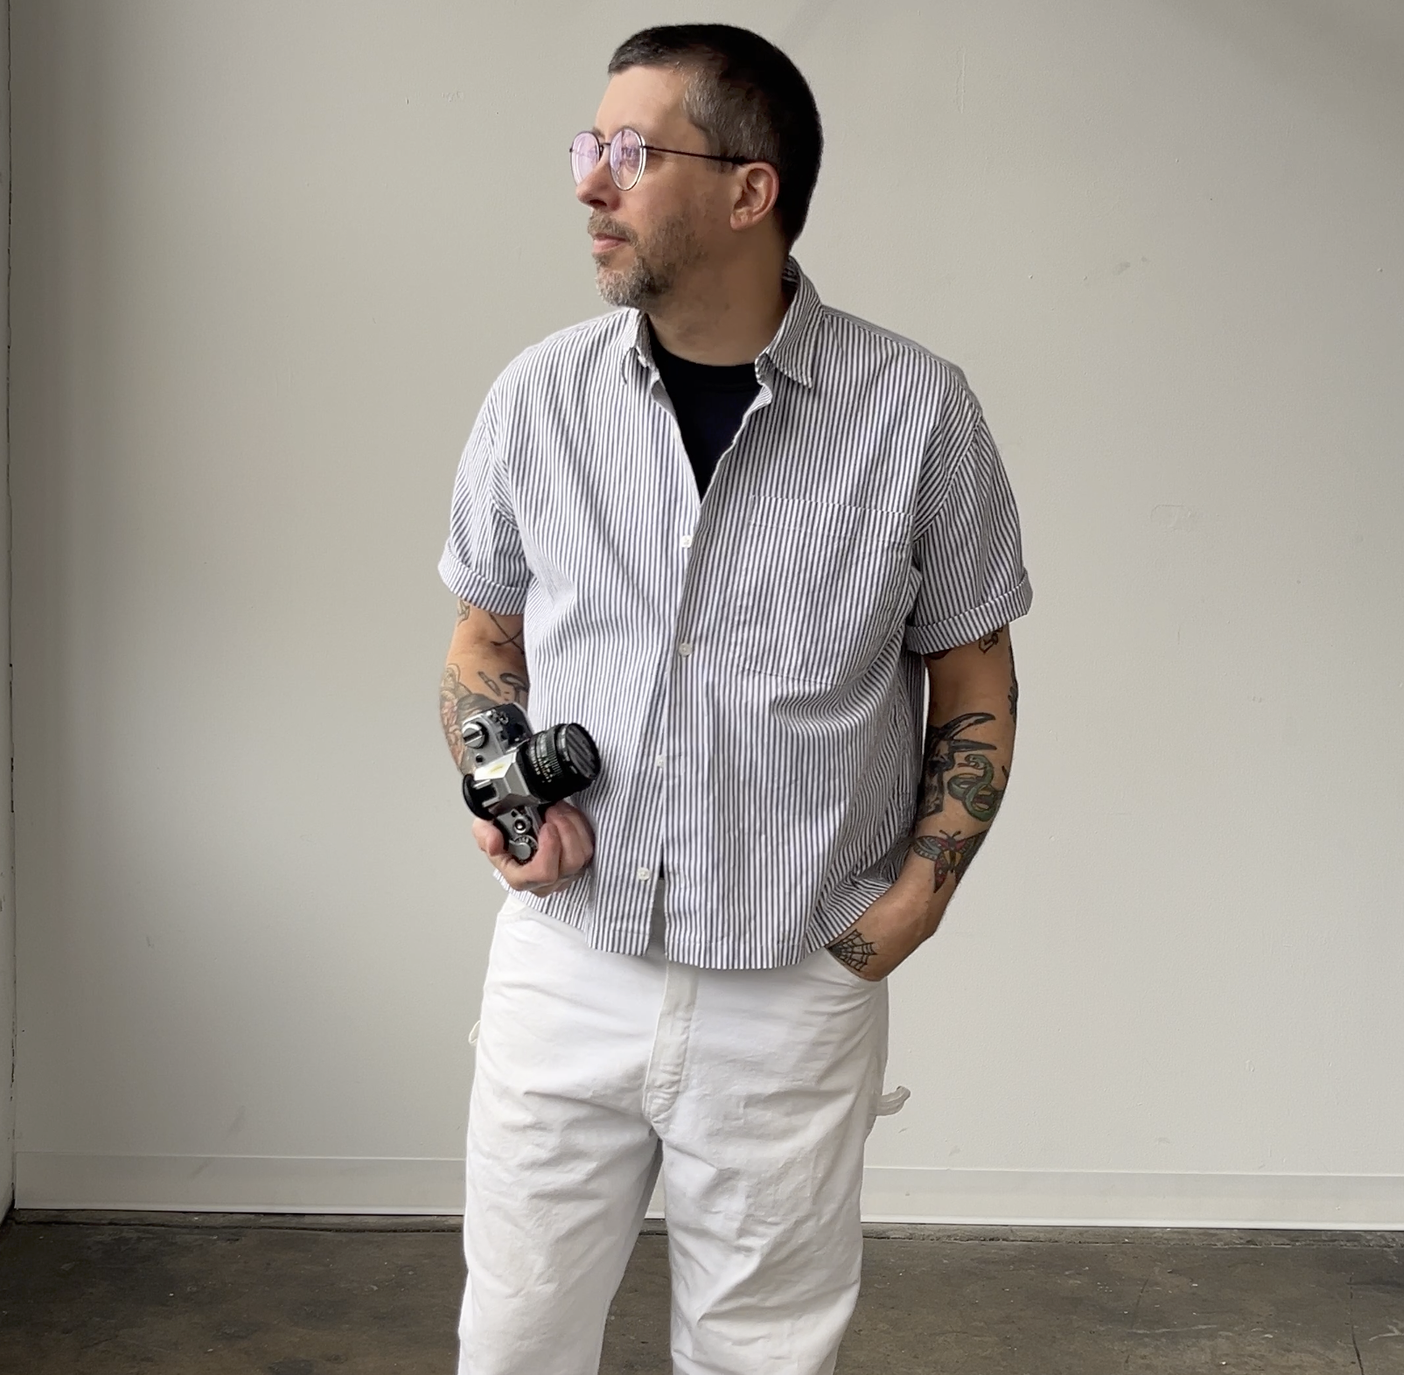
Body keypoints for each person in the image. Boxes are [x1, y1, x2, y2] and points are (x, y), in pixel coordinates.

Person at [435, 23, 1030, 1374]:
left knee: (761, 1356)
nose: (589, 182)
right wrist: (498, 781)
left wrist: (920, 896)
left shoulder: (918, 413)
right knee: (513, 1340)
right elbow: (482, 640)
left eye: (629, 152)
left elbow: (974, 665)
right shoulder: (538, 402)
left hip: (792, 982)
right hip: (567, 959)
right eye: (588, 148)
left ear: (749, 190)